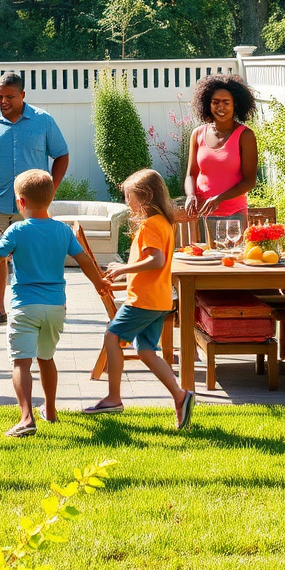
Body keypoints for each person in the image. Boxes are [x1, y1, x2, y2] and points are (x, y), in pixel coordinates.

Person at [0, 169, 110, 438]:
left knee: (21, 362)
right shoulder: (62, 230)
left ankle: (27, 417)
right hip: (55, 307)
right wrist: (99, 283)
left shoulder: (16, 230)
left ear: (20, 202)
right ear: (52, 197)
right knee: (46, 358)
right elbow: (84, 260)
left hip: (25, 306)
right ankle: (50, 411)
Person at [84, 169, 195, 430]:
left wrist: (123, 269)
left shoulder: (150, 225)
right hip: (158, 300)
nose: (127, 202)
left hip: (143, 301)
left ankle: (113, 397)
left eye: (129, 197)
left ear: (144, 197)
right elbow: (153, 266)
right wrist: (123, 278)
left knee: (112, 336)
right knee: (146, 351)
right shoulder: (164, 223)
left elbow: (156, 261)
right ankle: (181, 396)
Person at [0, 73, 70, 328]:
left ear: (22, 95)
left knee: (40, 253)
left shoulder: (43, 121)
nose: (3, 101)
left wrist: (50, 190)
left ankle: (46, 304)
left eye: (9, 97)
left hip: (33, 205)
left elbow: (62, 155)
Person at [184, 74, 258, 229]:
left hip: (234, 215)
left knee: (232, 254)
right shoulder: (197, 134)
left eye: (226, 102)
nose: (220, 107)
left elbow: (250, 181)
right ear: (207, 105)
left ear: (235, 105)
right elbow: (191, 174)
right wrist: (191, 195)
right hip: (202, 214)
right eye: (215, 102)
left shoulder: (245, 136)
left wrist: (218, 199)